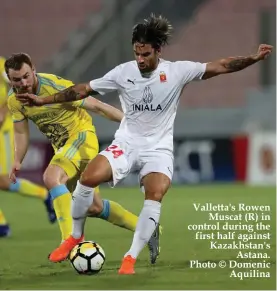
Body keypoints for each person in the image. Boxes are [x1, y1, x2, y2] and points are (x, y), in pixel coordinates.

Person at [16, 14, 273, 274]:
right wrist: (42, 101)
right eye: (137, 53)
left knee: (155, 195)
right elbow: (81, 90)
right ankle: (75, 237)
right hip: (126, 143)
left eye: (145, 54)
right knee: (88, 179)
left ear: (158, 50)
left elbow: (222, 66)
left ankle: (130, 258)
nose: (140, 60)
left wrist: (252, 58)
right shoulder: (123, 72)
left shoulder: (177, 71)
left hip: (158, 150)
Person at [6, 53, 160, 262]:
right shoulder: (15, 101)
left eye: (26, 76)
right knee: (93, 207)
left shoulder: (56, 86)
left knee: (52, 177)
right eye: (16, 80)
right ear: (9, 79)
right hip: (64, 148)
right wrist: (17, 160)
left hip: (81, 138)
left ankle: (68, 241)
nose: (23, 83)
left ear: (33, 69)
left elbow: (97, 106)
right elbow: (21, 133)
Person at [0, 56, 56, 238]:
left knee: (2, 180)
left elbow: (14, 86)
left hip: (3, 130)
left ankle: (44, 195)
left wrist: (3, 111)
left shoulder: (1, 65)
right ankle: (2, 225)